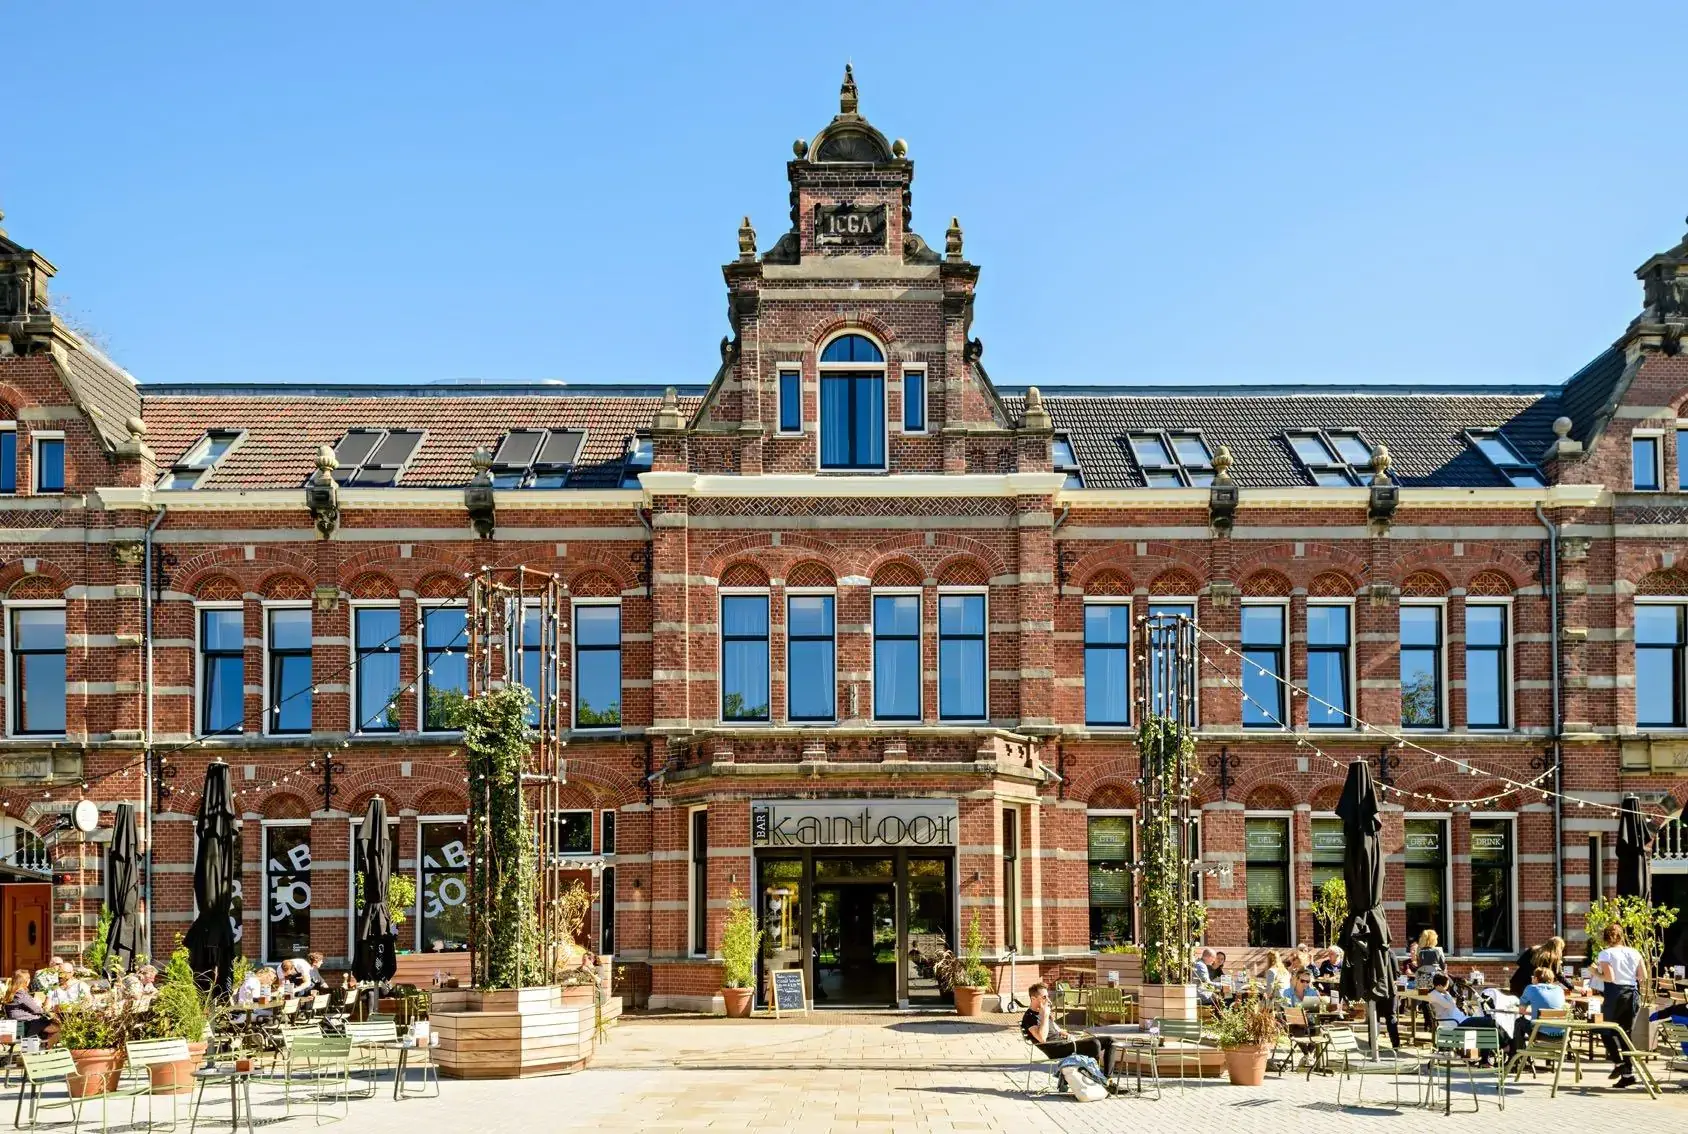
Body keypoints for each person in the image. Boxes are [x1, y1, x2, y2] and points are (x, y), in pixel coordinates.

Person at [1022, 983, 1115, 1079]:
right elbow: (1042, 1038)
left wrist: (1069, 1035)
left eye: (1048, 996)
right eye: (1044, 997)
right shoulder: (1029, 1017)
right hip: (1056, 1049)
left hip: (1066, 1043)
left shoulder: (1043, 1012)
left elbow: (1058, 1030)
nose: (1048, 1000)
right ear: (1033, 999)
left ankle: (1108, 1078)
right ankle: (1097, 1078)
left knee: (1110, 1040)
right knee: (1094, 1044)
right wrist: (1045, 1016)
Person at [1593, 923, 1644, 1088]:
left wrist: (1595, 973)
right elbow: (1642, 976)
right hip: (1632, 994)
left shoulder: (1605, 954)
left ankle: (1619, 1063)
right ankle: (1628, 1074)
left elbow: (1610, 978)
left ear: (1606, 938)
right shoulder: (1635, 952)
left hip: (1615, 995)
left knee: (1604, 1029)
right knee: (1625, 1033)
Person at [5, 969, 49, 1040]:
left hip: (18, 1024)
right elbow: (37, 1010)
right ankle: (48, 1046)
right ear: (26, 981)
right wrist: (39, 1004)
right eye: (29, 979)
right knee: (56, 1027)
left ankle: (44, 1044)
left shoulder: (11, 992)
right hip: (27, 1025)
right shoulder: (21, 994)